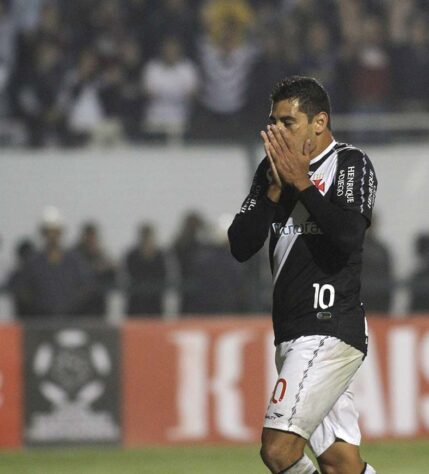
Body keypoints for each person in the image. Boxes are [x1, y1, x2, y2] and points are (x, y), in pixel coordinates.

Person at [228, 76, 377, 474]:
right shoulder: (270, 173)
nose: (277, 131)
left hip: (328, 327)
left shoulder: (350, 162)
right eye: (273, 122)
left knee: (278, 450)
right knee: (340, 464)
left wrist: (302, 185)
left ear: (319, 121)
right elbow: (241, 245)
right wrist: (276, 190)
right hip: (292, 331)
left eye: (287, 122)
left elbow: (348, 235)